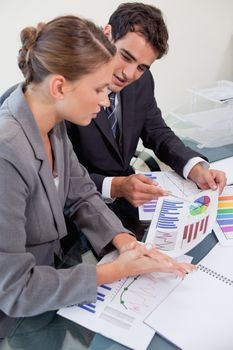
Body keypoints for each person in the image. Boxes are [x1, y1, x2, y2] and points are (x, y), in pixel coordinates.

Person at [0, 15, 195, 339]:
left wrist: (127, 244)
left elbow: (82, 193)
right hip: (15, 318)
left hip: (55, 284)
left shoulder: (53, 122)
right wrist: (115, 270)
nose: (107, 100)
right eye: (98, 90)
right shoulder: (7, 152)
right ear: (60, 86)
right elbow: (16, 290)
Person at [66, 2, 227, 234]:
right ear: (106, 34)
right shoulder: (70, 91)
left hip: (128, 201)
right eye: (125, 56)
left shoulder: (142, 81)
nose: (129, 74)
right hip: (78, 209)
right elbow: (58, 175)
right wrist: (116, 186)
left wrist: (194, 167)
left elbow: (157, 131)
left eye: (142, 67)